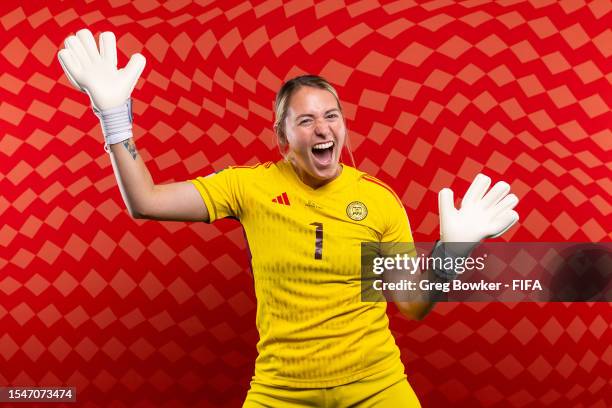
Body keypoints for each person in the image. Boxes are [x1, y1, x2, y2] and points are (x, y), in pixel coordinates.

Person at [58, 29, 519, 407]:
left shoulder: (377, 201)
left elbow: (413, 305)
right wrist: (114, 116)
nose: (322, 129)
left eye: (332, 116)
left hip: (375, 386)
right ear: (282, 136)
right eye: (305, 121)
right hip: (282, 391)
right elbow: (146, 201)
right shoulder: (249, 187)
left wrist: (452, 250)